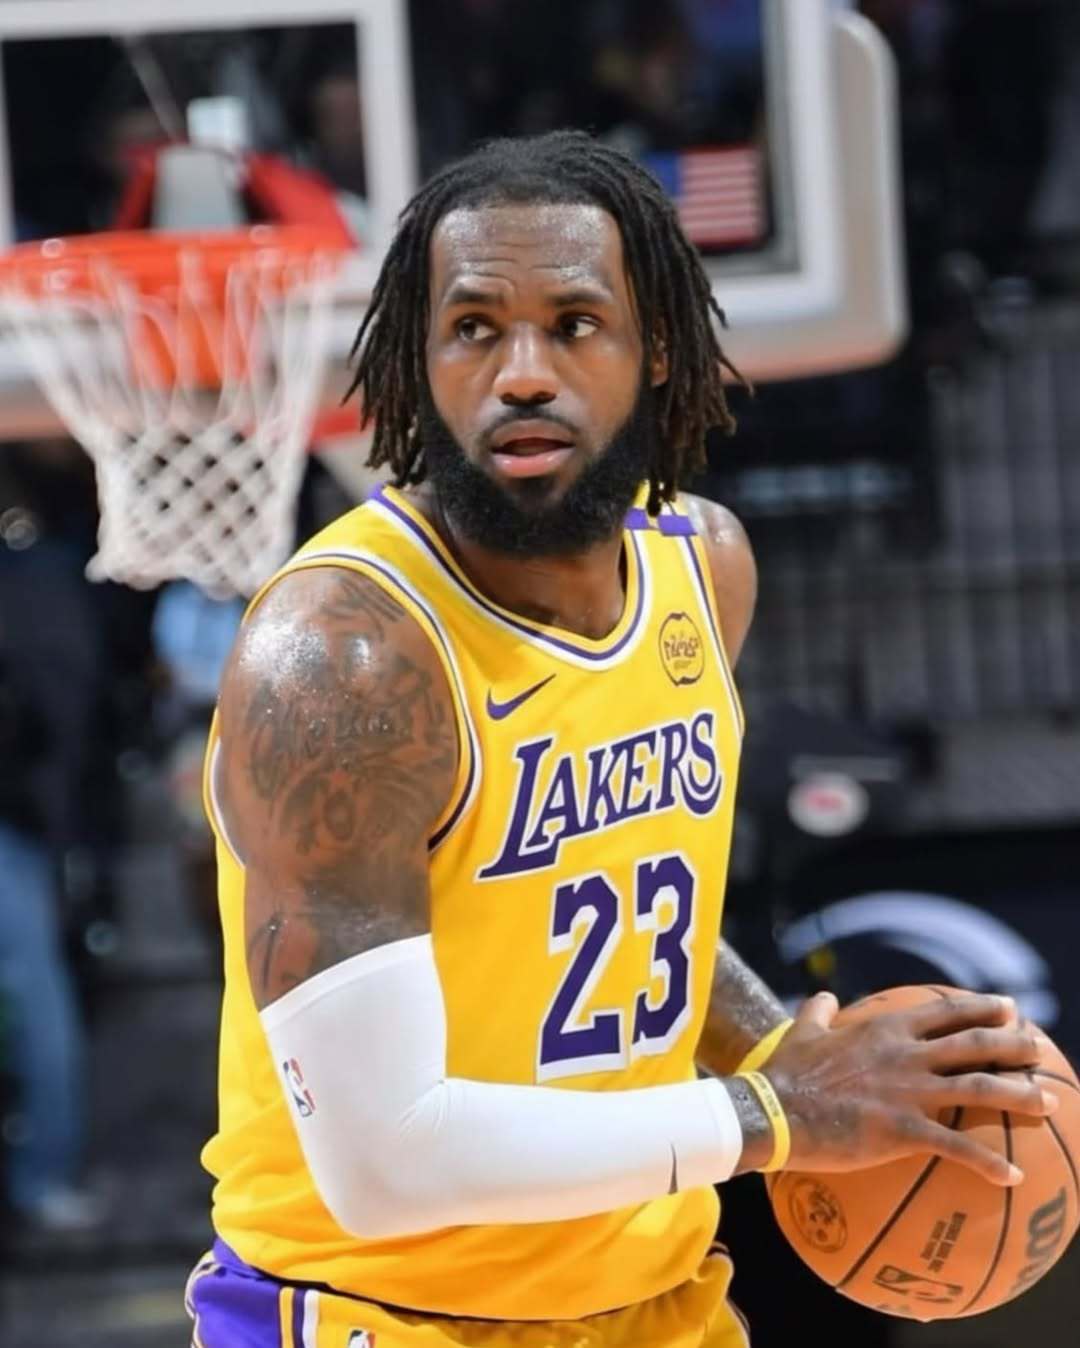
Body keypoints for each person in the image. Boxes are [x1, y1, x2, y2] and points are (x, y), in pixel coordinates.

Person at [187, 130, 1055, 1346]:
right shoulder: (344, 659)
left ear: (656, 355)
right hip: (381, 1312)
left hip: (652, 1301)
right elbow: (382, 1161)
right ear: (417, 364)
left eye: (575, 324)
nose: (522, 374)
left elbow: (632, 912)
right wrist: (775, 1111)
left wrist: (796, 1049)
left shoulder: (705, 569)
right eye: (474, 328)